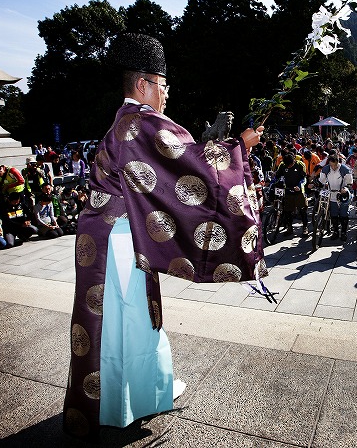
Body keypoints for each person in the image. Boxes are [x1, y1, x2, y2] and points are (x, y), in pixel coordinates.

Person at [63, 33, 265, 439]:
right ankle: (120, 403)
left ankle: (130, 397)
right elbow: (185, 165)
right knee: (124, 319)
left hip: (114, 233)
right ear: (144, 85)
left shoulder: (129, 122)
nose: (167, 94)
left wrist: (218, 147)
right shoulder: (138, 122)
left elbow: (177, 162)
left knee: (126, 319)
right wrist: (238, 145)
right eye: (163, 85)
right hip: (117, 240)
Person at [318, 153, 353, 241]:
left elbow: (350, 183)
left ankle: (344, 232)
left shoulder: (345, 169)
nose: (333, 167)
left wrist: (345, 189)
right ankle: (336, 231)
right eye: (331, 165)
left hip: (343, 195)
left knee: (343, 214)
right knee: (334, 214)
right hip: (332, 194)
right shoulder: (325, 169)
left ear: (338, 162)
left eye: (334, 165)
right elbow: (321, 181)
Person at [276, 152, 309, 238]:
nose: (288, 167)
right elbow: (277, 176)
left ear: (294, 161)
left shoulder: (300, 165)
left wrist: (299, 186)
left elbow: (304, 178)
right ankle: (289, 228)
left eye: (290, 165)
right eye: (287, 165)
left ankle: (305, 227)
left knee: (302, 210)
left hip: (299, 191)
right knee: (288, 211)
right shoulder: (282, 165)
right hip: (287, 191)